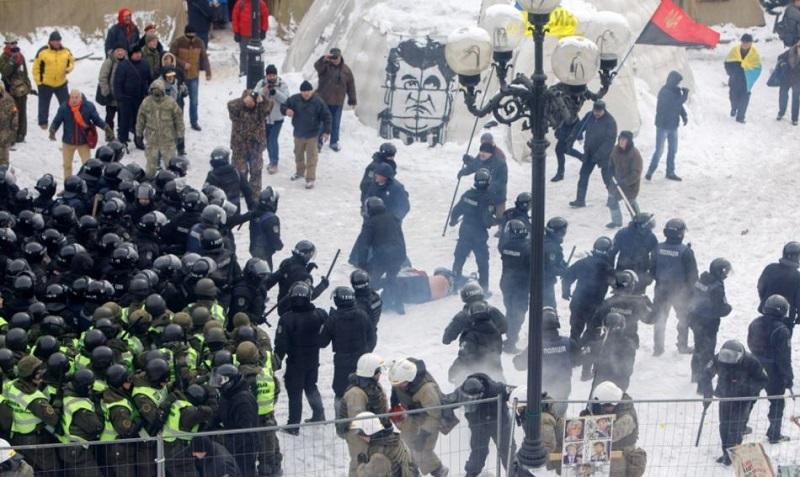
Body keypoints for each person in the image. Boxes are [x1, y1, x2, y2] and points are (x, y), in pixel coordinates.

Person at [699, 340, 768, 466]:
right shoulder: (719, 359)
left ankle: (733, 456)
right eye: (725, 357)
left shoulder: (752, 361)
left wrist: (747, 389)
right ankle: (726, 452)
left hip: (742, 399)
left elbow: (763, 380)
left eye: (731, 358)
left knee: (735, 428)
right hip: (725, 396)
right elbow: (706, 374)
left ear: (740, 356)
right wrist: (707, 393)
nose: (727, 362)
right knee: (724, 425)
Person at [274, 282, 328, 428]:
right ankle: (319, 414)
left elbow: (281, 344)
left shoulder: (287, 319)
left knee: (294, 391)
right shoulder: (320, 314)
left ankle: (293, 425)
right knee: (311, 386)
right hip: (313, 358)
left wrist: (276, 361)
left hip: (295, 361)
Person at [388, 358, 449, 477]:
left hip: (429, 419)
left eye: (400, 384)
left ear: (409, 379)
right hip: (413, 414)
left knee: (422, 449)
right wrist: (394, 403)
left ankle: (439, 471)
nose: (397, 386)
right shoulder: (399, 380)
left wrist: (423, 434)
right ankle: (412, 473)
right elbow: (396, 389)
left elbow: (435, 416)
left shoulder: (427, 389)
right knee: (404, 446)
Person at [513, 307, 578, 415]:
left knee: (545, 421)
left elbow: (519, 365)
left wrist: (516, 359)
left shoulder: (536, 345)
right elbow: (578, 360)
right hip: (563, 389)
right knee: (560, 419)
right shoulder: (569, 343)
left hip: (542, 392)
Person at [747, 294, 794, 444]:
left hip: (754, 366)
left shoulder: (755, 323)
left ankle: (739, 426)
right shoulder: (782, 330)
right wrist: (788, 376)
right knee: (776, 402)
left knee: (750, 398)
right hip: (773, 370)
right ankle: (774, 433)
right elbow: (784, 358)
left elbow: (750, 343)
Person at [4, 355, 59, 476]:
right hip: (35, 441)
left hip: (18, 437)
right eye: (38, 373)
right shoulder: (35, 400)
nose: (42, 374)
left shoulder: (11, 385)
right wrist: (58, 403)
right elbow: (54, 420)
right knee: (52, 469)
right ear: (32, 376)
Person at [448, 374, 514, 477]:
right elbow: (445, 402)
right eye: (467, 399)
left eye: (473, 399)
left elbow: (517, 393)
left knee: (508, 453)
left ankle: (514, 474)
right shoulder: (461, 392)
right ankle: (470, 475)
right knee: (478, 454)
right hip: (478, 426)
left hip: (501, 425)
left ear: (481, 394)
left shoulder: (497, 389)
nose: (470, 402)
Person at [319, 286, 377, 401]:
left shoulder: (333, 319)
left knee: (341, 392)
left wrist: (324, 325)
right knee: (364, 389)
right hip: (361, 360)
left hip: (342, 362)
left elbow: (322, 342)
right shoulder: (362, 315)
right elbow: (372, 336)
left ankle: (341, 417)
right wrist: (366, 352)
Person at [650, 218, 698, 356]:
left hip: (661, 290)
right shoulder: (685, 251)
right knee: (683, 319)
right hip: (680, 292)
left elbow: (652, 270)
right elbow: (693, 276)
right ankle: (682, 346)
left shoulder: (657, 248)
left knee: (660, 318)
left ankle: (658, 349)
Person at [443, 282, 507, 384]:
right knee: (499, 384)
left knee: (464, 384)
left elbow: (446, 339)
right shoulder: (493, 311)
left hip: (470, 360)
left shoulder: (462, 316)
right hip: (493, 357)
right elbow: (505, 328)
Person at [337, 353, 388, 477]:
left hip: (373, 430)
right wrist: (367, 435)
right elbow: (358, 420)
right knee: (359, 464)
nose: (380, 374)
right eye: (378, 371)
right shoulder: (356, 393)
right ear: (371, 372)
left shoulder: (373, 386)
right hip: (358, 433)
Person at [236, 341, 282, 477]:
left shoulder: (237, 378)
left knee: (245, 459)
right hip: (266, 421)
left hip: (245, 424)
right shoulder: (267, 375)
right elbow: (276, 392)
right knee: (269, 456)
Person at [355, 197, 407, 315]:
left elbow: (364, 244)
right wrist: (403, 255)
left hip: (382, 256)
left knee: (373, 281)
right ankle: (399, 305)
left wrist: (362, 262)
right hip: (398, 254)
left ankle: (368, 306)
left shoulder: (370, 223)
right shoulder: (393, 218)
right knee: (392, 278)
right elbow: (401, 238)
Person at [687, 258, 733, 386]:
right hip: (708, 323)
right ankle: (704, 383)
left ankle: (695, 376)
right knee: (707, 352)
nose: (726, 275)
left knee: (698, 348)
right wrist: (729, 308)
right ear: (719, 272)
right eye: (725, 272)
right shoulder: (717, 287)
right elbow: (721, 308)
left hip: (695, 318)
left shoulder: (702, 280)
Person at [583, 381, 644, 477]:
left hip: (621, 457)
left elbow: (610, 435)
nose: (603, 409)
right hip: (607, 455)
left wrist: (591, 423)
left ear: (612, 403)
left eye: (604, 406)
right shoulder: (614, 406)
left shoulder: (626, 417)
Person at [211, 364, 262, 477]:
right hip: (232, 446)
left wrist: (224, 442)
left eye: (220, 381)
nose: (218, 385)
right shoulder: (227, 395)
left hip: (244, 450)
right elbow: (219, 414)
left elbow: (245, 433)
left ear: (230, 381)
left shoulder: (243, 401)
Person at [49, 89, 113, 178]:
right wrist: (52, 130)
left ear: (80, 98)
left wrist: (106, 127)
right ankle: (68, 184)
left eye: (76, 98)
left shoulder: (88, 107)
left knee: (87, 165)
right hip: (68, 142)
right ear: (69, 98)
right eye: (72, 98)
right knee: (67, 166)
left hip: (83, 142)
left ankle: (88, 183)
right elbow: (57, 121)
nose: (74, 100)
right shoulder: (64, 108)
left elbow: (96, 119)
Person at [449, 169, 496, 291]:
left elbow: (456, 210)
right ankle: (484, 287)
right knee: (482, 262)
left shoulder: (467, 195)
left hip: (465, 231)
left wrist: (453, 221)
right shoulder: (488, 199)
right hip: (479, 235)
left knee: (459, 257)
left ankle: (454, 283)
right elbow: (487, 220)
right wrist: (494, 221)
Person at [562, 236, 614, 343]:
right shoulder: (607, 267)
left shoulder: (583, 262)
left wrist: (565, 291)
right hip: (595, 304)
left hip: (578, 301)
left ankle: (574, 351)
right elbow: (615, 283)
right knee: (593, 331)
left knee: (575, 330)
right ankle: (587, 353)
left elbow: (567, 276)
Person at [282, 80, 332, 189]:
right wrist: (286, 110)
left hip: (312, 134)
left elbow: (327, 116)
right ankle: (300, 172)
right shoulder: (294, 99)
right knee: (298, 154)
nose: (306, 93)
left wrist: (327, 131)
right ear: (301, 92)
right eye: (304, 91)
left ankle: (310, 178)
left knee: (311, 157)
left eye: (308, 91)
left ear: (312, 91)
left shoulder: (318, 102)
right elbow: (283, 105)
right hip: (298, 133)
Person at [570, 100, 617, 208]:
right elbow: (580, 126)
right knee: (583, 176)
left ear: (604, 110)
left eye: (599, 111)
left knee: (607, 178)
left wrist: (599, 155)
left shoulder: (610, 122)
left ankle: (613, 199)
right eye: (595, 111)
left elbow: (610, 141)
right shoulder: (589, 116)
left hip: (604, 155)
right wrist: (577, 135)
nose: (596, 113)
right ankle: (580, 200)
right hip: (589, 152)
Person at [228, 89, 272, 196]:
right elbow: (230, 105)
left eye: (252, 102)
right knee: (239, 171)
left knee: (256, 171)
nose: (250, 104)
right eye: (248, 101)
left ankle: (254, 192)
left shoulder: (260, 109)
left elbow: (269, 106)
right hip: (239, 145)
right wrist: (242, 101)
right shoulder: (237, 108)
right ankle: (240, 190)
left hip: (256, 145)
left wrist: (263, 100)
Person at [136, 79, 185, 176]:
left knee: (171, 166)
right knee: (150, 168)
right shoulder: (146, 103)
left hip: (168, 141)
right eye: (155, 93)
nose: (157, 95)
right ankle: (150, 183)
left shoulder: (170, 103)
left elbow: (178, 120)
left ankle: (171, 185)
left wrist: (180, 135)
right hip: (152, 141)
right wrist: (138, 134)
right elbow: (140, 119)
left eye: (159, 93)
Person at [646, 71, 688, 181]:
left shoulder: (676, 91)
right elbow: (675, 104)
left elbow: (679, 106)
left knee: (673, 150)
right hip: (663, 126)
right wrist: (685, 96)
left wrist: (684, 116)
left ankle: (670, 172)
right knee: (659, 150)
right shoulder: (664, 92)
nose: (679, 84)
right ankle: (650, 171)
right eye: (678, 82)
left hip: (673, 125)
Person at [314, 48, 357, 152]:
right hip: (323, 100)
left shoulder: (346, 70)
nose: (335, 59)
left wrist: (352, 98)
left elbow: (351, 85)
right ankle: (318, 142)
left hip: (338, 102)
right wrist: (323, 59)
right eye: (332, 57)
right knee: (321, 122)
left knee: (335, 123)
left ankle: (334, 142)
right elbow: (317, 66)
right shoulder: (325, 67)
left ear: (340, 56)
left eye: (336, 57)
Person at [169, 25, 211, 131]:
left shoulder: (199, 42)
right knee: (179, 101)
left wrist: (208, 71)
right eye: (189, 36)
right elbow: (171, 56)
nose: (191, 38)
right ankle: (178, 123)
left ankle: (194, 122)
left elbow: (204, 57)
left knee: (194, 101)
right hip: (180, 77)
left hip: (193, 76)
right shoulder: (178, 42)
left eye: (193, 35)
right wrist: (183, 64)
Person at [499, 219, 530, 352]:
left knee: (510, 310)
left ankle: (508, 336)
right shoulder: (527, 248)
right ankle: (511, 341)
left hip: (506, 283)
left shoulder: (504, 246)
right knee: (519, 313)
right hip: (521, 286)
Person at [33, 31, 74, 130]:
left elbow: (71, 62)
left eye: (58, 40)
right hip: (45, 84)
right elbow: (36, 68)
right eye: (54, 41)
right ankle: (43, 122)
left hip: (61, 84)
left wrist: (69, 69)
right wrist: (39, 82)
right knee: (43, 104)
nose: (57, 43)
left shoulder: (66, 51)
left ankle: (68, 121)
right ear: (50, 41)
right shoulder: (42, 52)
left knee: (66, 104)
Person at [610, 212, 659, 294]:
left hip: (639, 273)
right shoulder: (623, 233)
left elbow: (655, 257)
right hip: (625, 271)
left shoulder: (651, 237)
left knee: (636, 298)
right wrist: (611, 271)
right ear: (643, 225)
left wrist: (650, 275)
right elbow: (612, 252)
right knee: (620, 297)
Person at [113, 44, 150, 149]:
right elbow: (117, 82)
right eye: (135, 53)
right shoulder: (123, 65)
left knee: (139, 121)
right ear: (130, 54)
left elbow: (149, 79)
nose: (138, 55)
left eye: (139, 52)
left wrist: (148, 92)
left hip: (140, 97)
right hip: (126, 98)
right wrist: (119, 96)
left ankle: (138, 140)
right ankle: (122, 141)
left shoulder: (145, 64)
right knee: (124, 121)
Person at [256, 64, 290, 174]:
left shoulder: (282, 84)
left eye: (273, 75)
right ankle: (271, 161)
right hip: (265, 118)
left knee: (272, 140)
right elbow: (254, 95)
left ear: (276, 75)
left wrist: (275, 93)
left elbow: (286, 99)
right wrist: (263, 91)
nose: (271, 77)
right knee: (266, 140)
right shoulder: (261, 83)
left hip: (277, 118)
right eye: (269, 75)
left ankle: (274, 162)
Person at [459, 141, 508, 215]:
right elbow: (473, 166)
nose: (482, 153)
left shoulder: (500, 164)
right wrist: (463, 172)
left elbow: (502, 181)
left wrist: (488, 188)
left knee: (500, 218)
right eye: (481, 151)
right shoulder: (480, 159)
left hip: (498, 197)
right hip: (483, 197)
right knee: (481, 218)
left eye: (485, 152)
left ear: (491, 154)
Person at [757, 242, 800, 325]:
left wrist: (765, 300)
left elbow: (760, 287)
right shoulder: (797, 276)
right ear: (793, 256)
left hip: (767, 311)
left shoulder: (770, 268)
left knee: (762, 336)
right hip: (786, 317)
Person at [608, 131, 642, 228]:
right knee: (612, 199)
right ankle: (616, 221)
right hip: (616, 182)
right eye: (620, 139)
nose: (621, 142)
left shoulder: (635, 154)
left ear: (629, 141)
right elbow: (611, 163)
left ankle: (637, 221)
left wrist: (625, 182)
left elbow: (636, 172)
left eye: (624, 140)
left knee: (630, 202)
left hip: (630, 184)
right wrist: (610, 170)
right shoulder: (615, 150)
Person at [725, 34, 762, 124]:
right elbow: (727, 63)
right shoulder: (734, 51)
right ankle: (734, 108)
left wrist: (749, 73)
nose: (745, 44)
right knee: (733, 97)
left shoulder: (754, 53)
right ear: (741, 42)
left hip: (746, 80)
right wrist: (732, 73)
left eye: (748, 42)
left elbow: (757, 67)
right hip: (735, 79)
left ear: (751, 43)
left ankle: (740, 117)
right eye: (744, 42)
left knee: (744, 98)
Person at [0, 38, 31, 143]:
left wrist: (28, 86)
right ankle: (11, 137)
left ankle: (21, 135)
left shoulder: (21, 56)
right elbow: (4, 72)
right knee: (10, 113)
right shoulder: (3, 57)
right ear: (7, 44)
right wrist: (12, 62)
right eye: (11, 43)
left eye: (15, 43)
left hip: (21, 89)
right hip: (9, 89)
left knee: (22, 112)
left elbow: (25, 73)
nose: (13, 45)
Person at [232, 0, 268, 77]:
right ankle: (244, 72)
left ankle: (257, 71)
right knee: (244, 53)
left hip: (256, 35)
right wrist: (236, 32)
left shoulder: (260, 3)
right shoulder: (240, 3)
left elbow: (265, 17)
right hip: (243, 34)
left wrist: (263, 30)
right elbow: (235, 18)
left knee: (257, 53)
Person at [249, 187, 282, 269]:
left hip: (254, 248)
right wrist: (279, 245)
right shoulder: (271, 218)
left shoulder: (255, 213)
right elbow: (274, 238)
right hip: (264, 252)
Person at [97, 45, 127, 131]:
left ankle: (121, 134)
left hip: (122, 96)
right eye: (118, 50)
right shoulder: (109, 62)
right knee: (110, 117)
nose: (120, 52)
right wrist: (107, 93)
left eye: (122, 50)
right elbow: (102, 78)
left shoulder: (127, 62)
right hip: (111, 96)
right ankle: (109, 133)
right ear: (114, 52)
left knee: (122, 117)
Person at [543, 217, 569, 308]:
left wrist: (562, 264)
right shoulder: (552, 248)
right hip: (544, 282)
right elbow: (550, 268)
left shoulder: (544, 240)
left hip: (539, 280)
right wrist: (563, 271)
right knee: (549, 307)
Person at [551, 115, 585, 182]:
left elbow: (575, 120)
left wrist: (579, 136)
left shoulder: (570, 110)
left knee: (560, 150)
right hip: (566, 130)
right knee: (565, 150)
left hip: (570, 132)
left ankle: (560, 174)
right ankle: (583, 158)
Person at [777, 42, 800, 126]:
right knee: (783, 95)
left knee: (796, 98)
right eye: (799, 47)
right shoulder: (789, 52)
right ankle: (781, 112)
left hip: (797, 80)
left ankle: (794, 118)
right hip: (786, 78)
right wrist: (783, 64)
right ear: (797, 46)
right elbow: (779, 58)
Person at [0, 84, 17, 166]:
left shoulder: (9, 99)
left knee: (4, 146)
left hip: (5, 128)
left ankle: (4, 165)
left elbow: (15, 114)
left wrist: (14, 127)